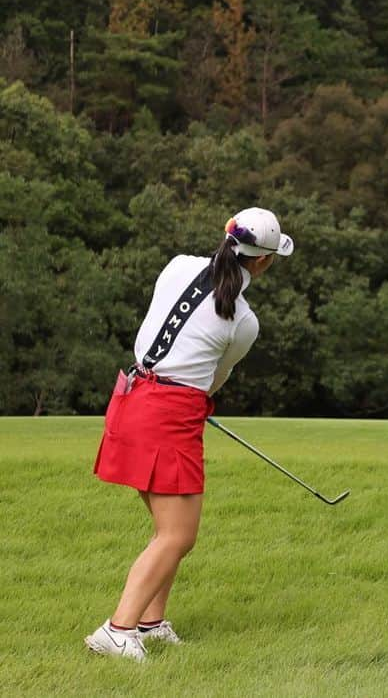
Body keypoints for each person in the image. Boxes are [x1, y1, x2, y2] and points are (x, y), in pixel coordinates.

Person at [85, 208, 293, 662]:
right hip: (168, 415)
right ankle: (118, 630)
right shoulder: (244, 322)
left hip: (131, 396)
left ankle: (151, 623)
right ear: (263, 262)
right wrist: (190, 395)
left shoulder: (178, 264)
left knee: (170, 530)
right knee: (177, 537)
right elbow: (214, 379)